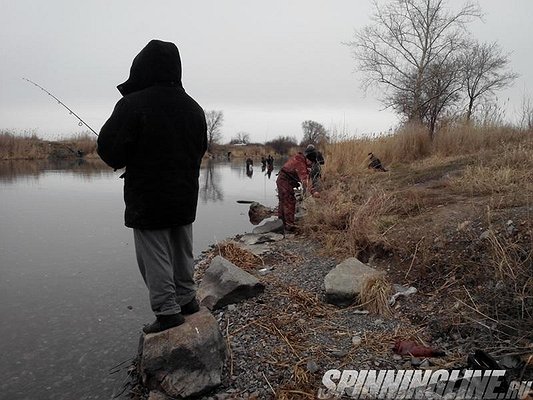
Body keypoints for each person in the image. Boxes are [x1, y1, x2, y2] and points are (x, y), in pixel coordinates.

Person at [97, 40, 207, 334]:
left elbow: (110, 152)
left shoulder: (132, 104)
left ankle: (167, 311)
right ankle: (187, 301)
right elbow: (200, 149)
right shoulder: (194, 108)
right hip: (185, 194)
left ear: (141, 68)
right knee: (183, 250)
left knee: (154, 255)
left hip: (148, 198)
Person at [276, 147, 319, 232]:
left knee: (283, 201)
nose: (310, 164)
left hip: (283, 180)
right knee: (289, 201)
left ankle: (281, 223)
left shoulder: (301, 159)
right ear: (308, 158)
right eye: (310, 162)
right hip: (284, 181)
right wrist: (313, 191)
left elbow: (305, 176)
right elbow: (305, 180)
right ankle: (289, 226)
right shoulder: (300, 163)